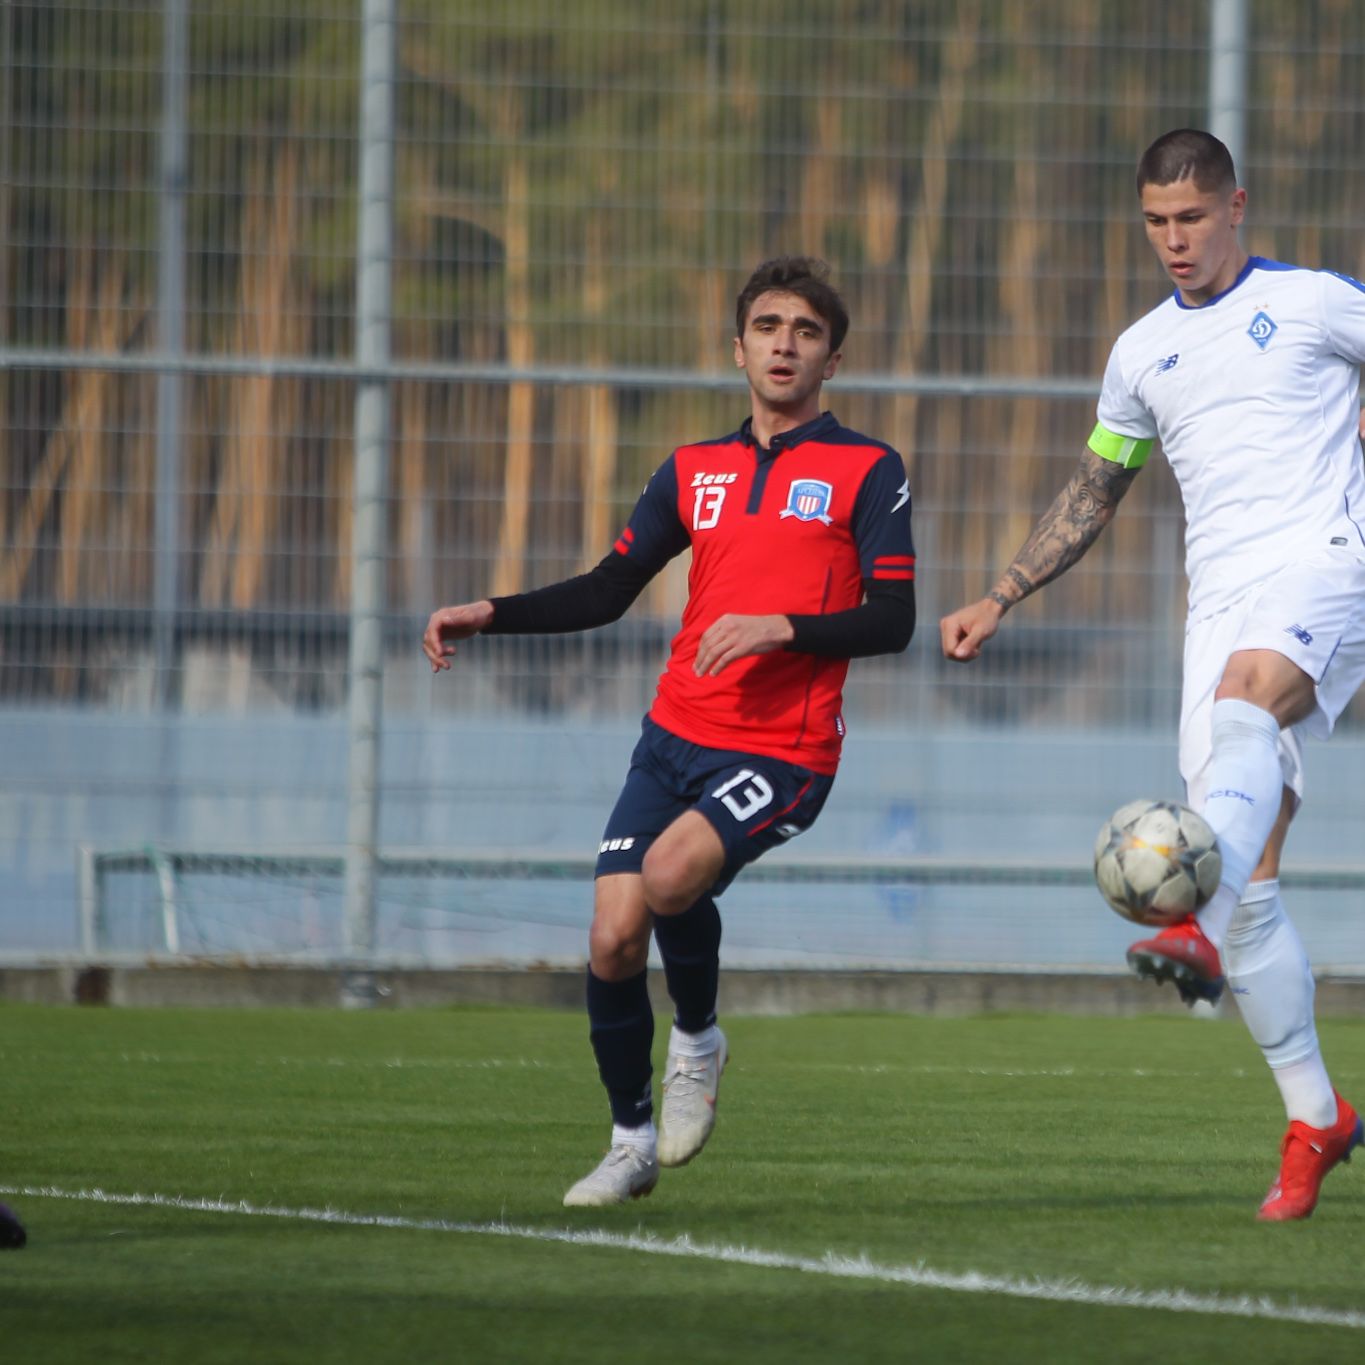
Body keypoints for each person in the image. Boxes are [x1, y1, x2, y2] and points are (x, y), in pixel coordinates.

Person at [424, 257, 916, 1206]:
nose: (784, 343)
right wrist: (492, 610)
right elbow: (608, 590)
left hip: (784, 751)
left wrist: (782, 627)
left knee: (667, 877)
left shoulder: (866, 468)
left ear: (832, 357)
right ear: (737, 348)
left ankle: (696, 1038)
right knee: (612, 937)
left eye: (805, 331)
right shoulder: (695, 470)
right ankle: (630, 1138)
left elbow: (892, 617)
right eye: (767, 326)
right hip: (672, 735)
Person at [940, 128, 1365, 1221]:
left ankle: (1194, 928)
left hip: (1327, 562)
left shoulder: (1317, 303)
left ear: (1236, 208)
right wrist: (1002, 592)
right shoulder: (1140, 354)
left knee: (1244, 708)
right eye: (1155, 223)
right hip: (1216, 603)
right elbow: (1098, 485)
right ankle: (1316, 1116)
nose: (1173, 242)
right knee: (1254, 873)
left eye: (1191, 218)